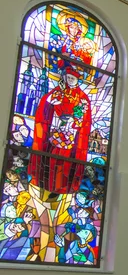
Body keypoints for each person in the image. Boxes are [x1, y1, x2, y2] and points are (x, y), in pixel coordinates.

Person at [27, 65, 92, 195]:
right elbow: (46, 105)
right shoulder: (58, 91)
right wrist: (52, 103)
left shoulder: (82, 97)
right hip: (55, 129)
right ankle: (46, 184)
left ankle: (63, 187)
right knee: (52, 158)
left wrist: (75, 121)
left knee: (66, 162)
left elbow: (85, 119)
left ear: (77, 80)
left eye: (73, 78)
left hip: (71, 133)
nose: (70, 80)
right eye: (68, 77)